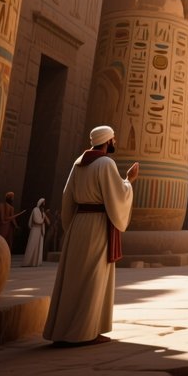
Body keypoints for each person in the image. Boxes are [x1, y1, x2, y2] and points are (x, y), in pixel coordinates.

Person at [43, 125, 139, 346]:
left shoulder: (79, 163)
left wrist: (71, 227)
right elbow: (116, 194)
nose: (115, 142)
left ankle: (65, 330)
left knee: (74, 279)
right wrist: (129, 180)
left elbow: (67, 197)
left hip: (79, 223)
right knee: (92, 279)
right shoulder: (105, 163)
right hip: (97, 225)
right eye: (114, 139)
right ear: (107, 141)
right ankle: (85, 332)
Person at [22, 198, 51, 267]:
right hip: (35, 230)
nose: (44, 204)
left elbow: (48, 222)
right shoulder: (35, 209)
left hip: (40, 231)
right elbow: (36, 220)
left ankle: (36, 262)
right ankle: (28, 262)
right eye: (43, 202)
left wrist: (45, 215)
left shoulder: (42, 212)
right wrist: (43, 219)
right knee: (32, 245)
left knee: (38, 247)